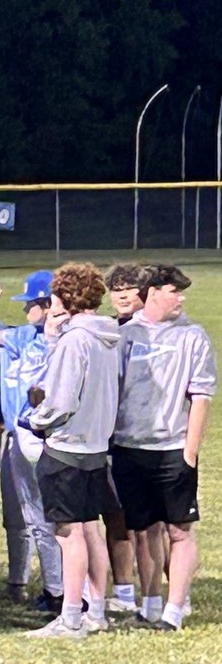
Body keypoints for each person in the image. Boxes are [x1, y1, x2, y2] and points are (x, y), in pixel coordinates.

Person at [113, 264, 217, 631]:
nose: (181, 298)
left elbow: (201, 395)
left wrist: (190, 452)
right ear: (153, 292)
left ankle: (174, 611)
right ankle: (150, 605)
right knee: (144, 530)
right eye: (175, 291)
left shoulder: (192, 336)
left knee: (180, 530)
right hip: (129, 447)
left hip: (173, 449)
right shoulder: (125, 336)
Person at [24, 263, 120, 639]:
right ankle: (96, 611)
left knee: (69, 534)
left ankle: (71, 618)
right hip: (97, 446)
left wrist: (36, 419)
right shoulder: (108, 335)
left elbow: (61, 399)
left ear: (65, 297)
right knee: (91, 529)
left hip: (67, 447)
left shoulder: (75, 339)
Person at [0, 270, 63, 612]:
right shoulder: (22, 336)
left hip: (45, 437)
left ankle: (60, 591)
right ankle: (51, 588)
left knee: (50, 518)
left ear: (48, 304)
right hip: (16, 435)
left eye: (31, 304)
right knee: (31, 515)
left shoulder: (65, 339)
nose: (26, 310)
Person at [101, 263, 152, 615]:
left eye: (129, 288)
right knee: (115, 516)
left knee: (152, 522)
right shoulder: (106, 329)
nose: (121, 294)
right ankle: (122, 592)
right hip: (110, 436)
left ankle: (162, 595)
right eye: (116, 288)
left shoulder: (153, 332)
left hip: (145, 438)